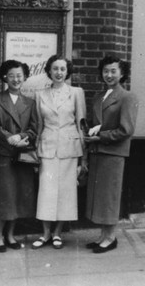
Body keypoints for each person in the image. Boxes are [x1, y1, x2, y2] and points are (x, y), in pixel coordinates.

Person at [31, 55, 87, 250]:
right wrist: (36, 151)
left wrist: (83, 157)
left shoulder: (76, 92)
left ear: (67, 71)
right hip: (47, 147)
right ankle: (45, 233)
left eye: (62, 69)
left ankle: (57, 233)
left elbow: (81, 124)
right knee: (46, 191)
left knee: (66, 192)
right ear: (49, 71)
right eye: (55, 69)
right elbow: (38, 124)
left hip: (70, 149)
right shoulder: (40, 94)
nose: (59, 73)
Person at [84, 55, 138, 253]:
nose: (109, 75)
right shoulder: (99, 96)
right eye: (105, 71)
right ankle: (103, 236)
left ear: (122, 73)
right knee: (100, 197)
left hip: (113, 153)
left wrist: (100, 137)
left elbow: (126, 130)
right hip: (98, 151)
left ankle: (111, 237)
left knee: (109, 197)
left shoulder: (127, 97)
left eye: (113, 71)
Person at [0, 60, 38, 252]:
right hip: (5, 154)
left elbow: (34, 129)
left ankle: (11, 234)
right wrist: (10, 138)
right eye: (11, 76)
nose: (16, 79)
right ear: (4, 78)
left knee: (18, 197)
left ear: (25, 77)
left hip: (23, 156)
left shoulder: (30, 102)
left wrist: (22, 137)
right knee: (5, 196)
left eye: (19, 76)